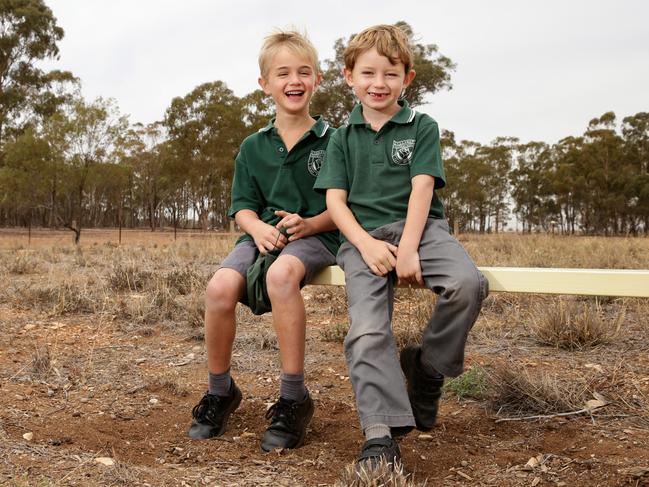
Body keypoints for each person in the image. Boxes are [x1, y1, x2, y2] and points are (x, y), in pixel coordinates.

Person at [314, 24, 488, 466]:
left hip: (422, 231)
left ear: (408, 79)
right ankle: (379, 433)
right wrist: (365, 245)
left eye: (390, 74)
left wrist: (409, 249)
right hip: (362, 239)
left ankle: (427, 370)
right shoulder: (340, 137)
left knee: (468, 284)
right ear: (349, 76)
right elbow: (335, 200)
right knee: (367, 330)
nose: (379, 84)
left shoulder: (421, 126)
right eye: (368, 73)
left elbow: (422, 187)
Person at [187, 29, 338, 452]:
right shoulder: (253, 146)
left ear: (317, 80)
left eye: (304, 72)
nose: (294, 80)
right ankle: (220, 392)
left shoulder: (335, 141)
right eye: (283, 73)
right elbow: (243, 207)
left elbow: (344, 206)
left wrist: (309, 224)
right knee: (219, 287)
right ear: (265, 84)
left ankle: (293, 399)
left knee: (282, 276)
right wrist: (256, 229)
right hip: (262, 236)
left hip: (318, 235)